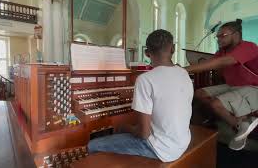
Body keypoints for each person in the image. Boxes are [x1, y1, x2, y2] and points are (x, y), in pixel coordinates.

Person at [88, 29, 194, 162]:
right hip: (183, 141)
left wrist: (125, 127)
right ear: (172, 49)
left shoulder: (145, 79)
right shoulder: (184, 73)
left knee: (93, 145)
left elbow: (144, 134)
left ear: (147, 53)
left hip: (161, 149)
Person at [185, 19, 258, 150]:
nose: (218, 39)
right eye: (217, 36)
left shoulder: (249, 47)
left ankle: (240, 124)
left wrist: (185, 69)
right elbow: (208, 65)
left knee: (216, 103)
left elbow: (224, 62)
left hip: (253, 87)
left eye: (222, 36)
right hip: (233, 85)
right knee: (199, 93)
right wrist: (179, 69)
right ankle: (236, 119)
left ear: (236, 35)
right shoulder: (222, 51)